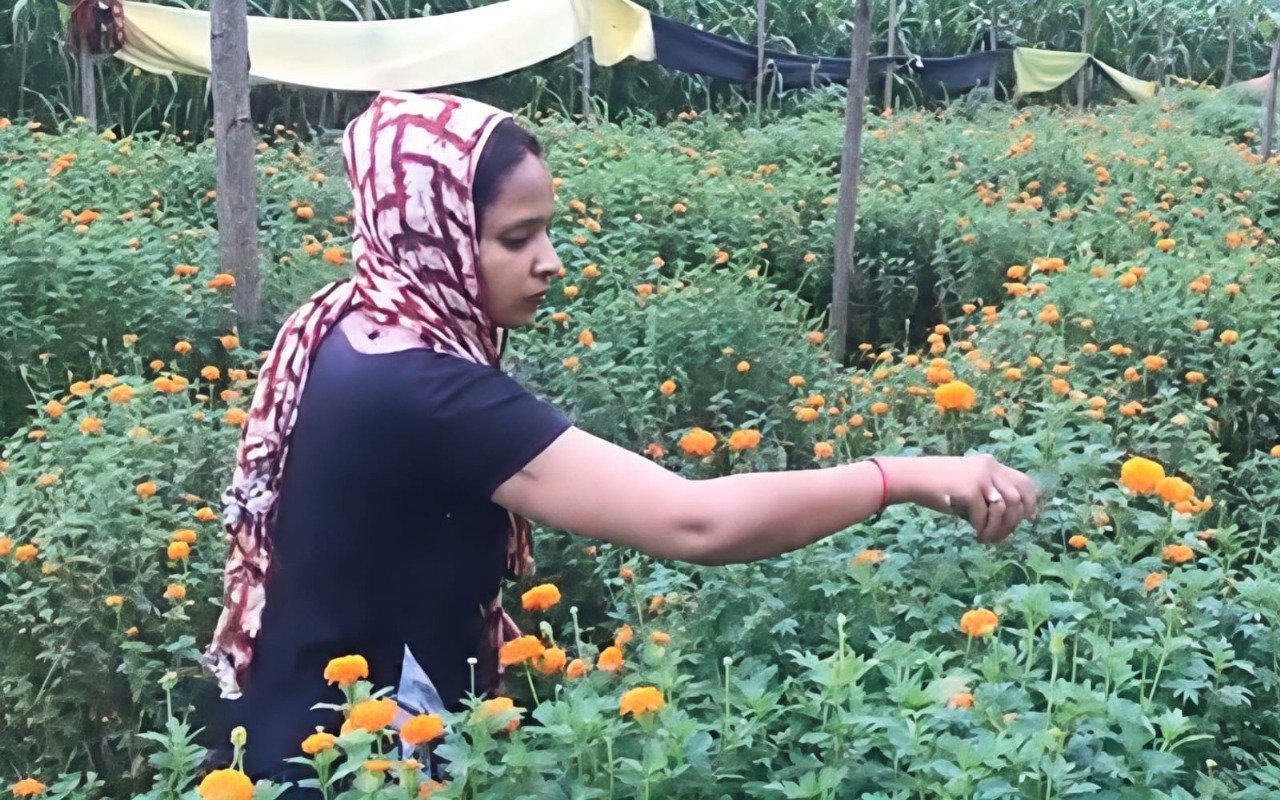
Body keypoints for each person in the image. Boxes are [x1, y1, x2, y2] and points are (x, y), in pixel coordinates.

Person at [202, 90, 1038, 793]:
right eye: (516, 238)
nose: (550, 262)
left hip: (297, 729)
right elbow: (694, 522)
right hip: (347, 767)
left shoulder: (350, 323)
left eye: (546, 230)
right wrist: (900, 475)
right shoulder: (427, 392)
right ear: (431, 235)